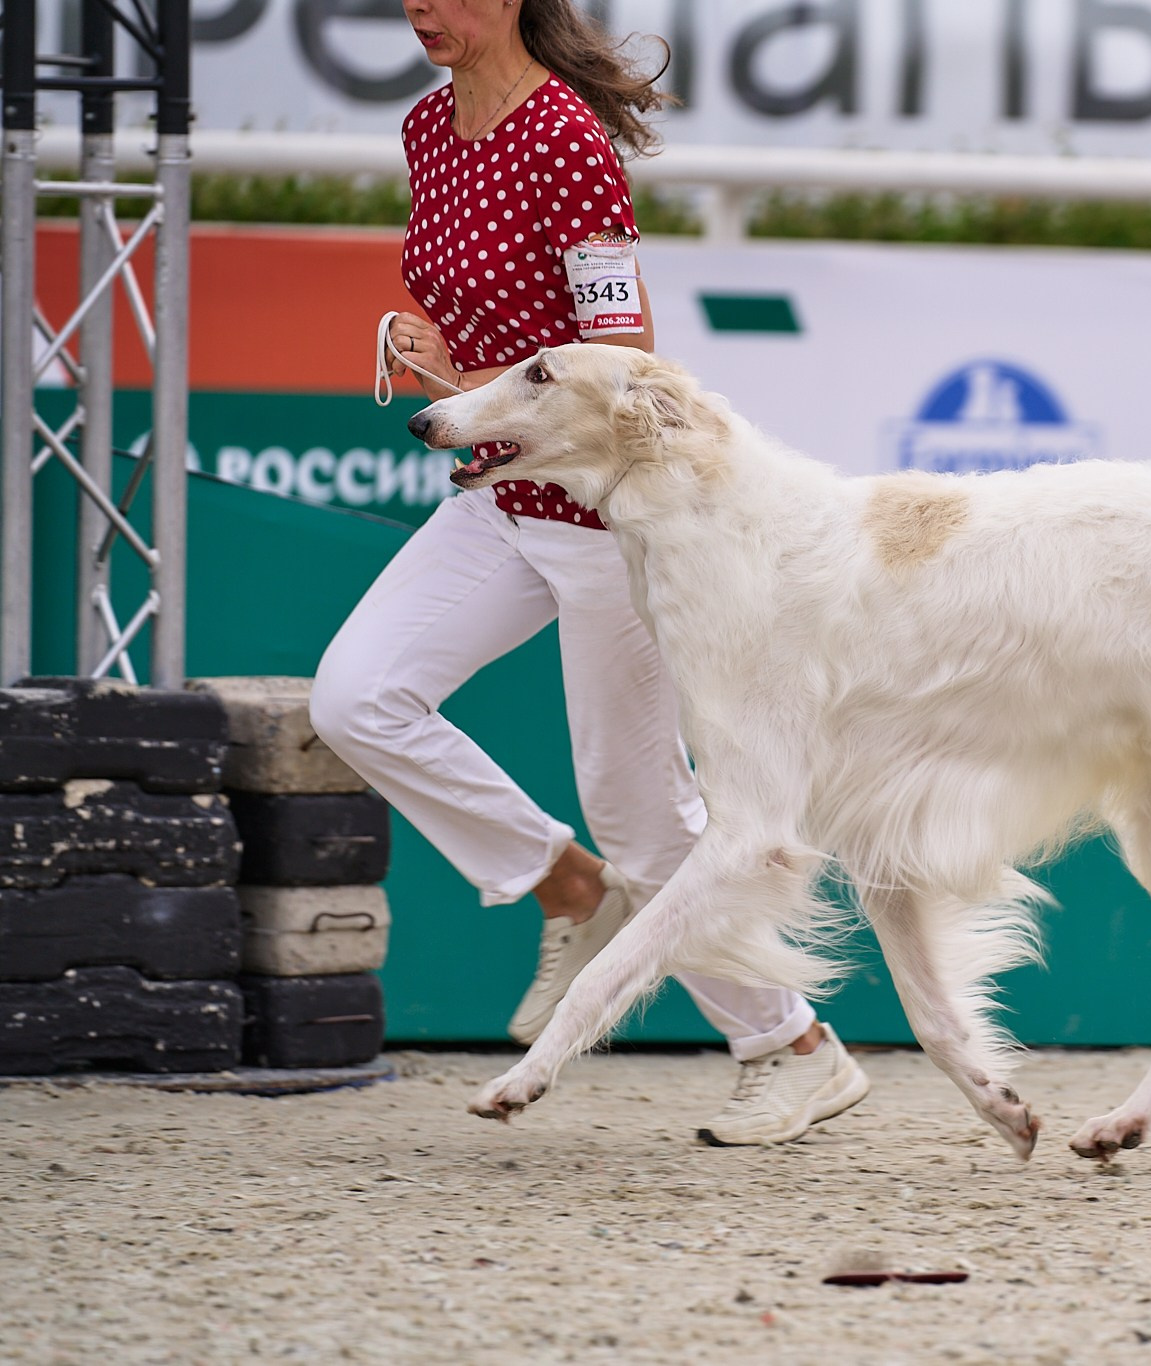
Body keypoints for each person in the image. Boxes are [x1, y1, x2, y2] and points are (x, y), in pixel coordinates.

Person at [309, 0, 869, 1146]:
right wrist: (430, 357)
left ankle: (793, 1047)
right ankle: (568, 885)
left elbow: (618, 346)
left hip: (604, 516)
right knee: (355, 698)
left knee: (646, 813)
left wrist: (468, 382)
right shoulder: (427, 128)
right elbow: (474, 319)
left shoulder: (564, 135)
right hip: (501, 502)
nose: (420, 5)